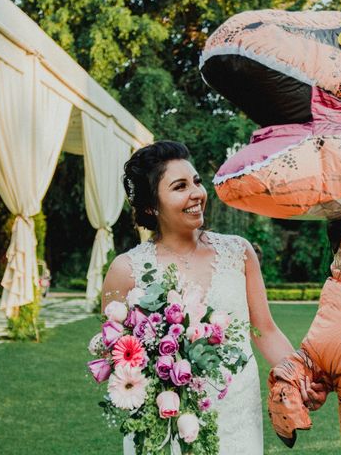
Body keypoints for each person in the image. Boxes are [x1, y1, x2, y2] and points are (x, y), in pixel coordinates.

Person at [101, 140, 295, 454]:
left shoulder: (238, 252)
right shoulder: (125, 270)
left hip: (238, 416)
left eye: (197, 181)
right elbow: (119, 358)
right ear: (152, 205)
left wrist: (303, 376)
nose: (197, 193)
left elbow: (266, 330)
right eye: (180, 186)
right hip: (166, 422)